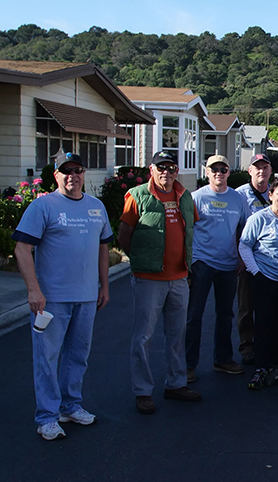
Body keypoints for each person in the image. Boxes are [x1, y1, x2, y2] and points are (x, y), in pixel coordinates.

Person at [13, 153, 112, 440]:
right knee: (47, 357)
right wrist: (34, 289)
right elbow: (22, 249)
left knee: (78, 355)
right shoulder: (43, 206)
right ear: (56, 176)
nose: (72, 176)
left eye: (77, 170)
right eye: (65, 171)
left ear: (84, 174)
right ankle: (47, 416)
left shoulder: (96, 207)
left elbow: (104, 247)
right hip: (51, 300)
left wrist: (104, 285)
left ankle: (71, 406)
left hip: (86, 296)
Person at [119, 151, 201, 415]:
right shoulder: (137, 195)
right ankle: (143, 391)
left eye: (171, 167)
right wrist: (143, 260)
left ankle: (175, 384)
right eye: (160, 167)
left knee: (177, 335)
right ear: (151, 169)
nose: (166, 172)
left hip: (178, 277)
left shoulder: (186, 196)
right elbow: (124, 235)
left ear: (176, 170)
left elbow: (190, 230)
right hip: (149, 279)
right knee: (143, 337)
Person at [184, 155, 251, 383]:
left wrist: (243, 257)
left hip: (229, 264)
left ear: (229, 172)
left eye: (223, 169)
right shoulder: (196, 198)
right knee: (194, 315)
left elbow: (245, 229)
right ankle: (187, 365)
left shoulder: (238, 199)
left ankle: (222, 359)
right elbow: (186, 231)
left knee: (226, 314)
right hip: (202, 262)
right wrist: (188, 261)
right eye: (214, 169)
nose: (219, 173)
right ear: (207, 171)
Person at [239, 178, 278, 390]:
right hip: (265, 277)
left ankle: (274, 362)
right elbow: (245, 245)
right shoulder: (259, 218)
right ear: (271, 195)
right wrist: (255, 271)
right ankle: (260, 366)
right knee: (264, 323)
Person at [234, 153, 273, 365]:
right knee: (246, 305)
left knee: (267, 306)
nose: (261, 171)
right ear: (249, 170)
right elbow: (234, 228)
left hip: (270, 260)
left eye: (265, 167)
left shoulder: (274, 194)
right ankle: (246, 345)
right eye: (257, 167)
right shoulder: (239, 195)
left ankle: (265, 345)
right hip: (248, 258)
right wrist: (240, 257)